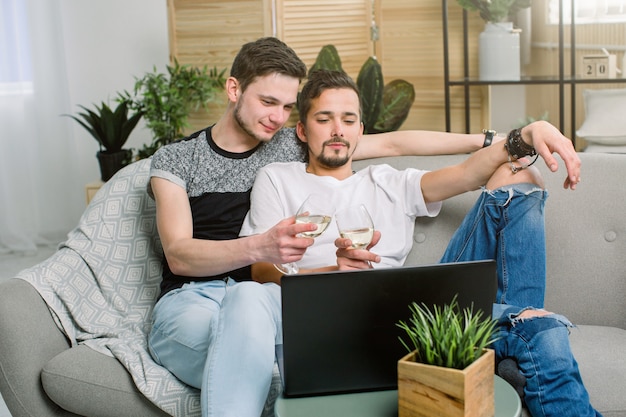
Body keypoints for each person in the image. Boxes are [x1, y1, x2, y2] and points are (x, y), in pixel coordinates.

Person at [146, 36, 583, 417]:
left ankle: (512, 334)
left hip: (369, 305)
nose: (276, 117)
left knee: (521, 174)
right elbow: (186, 255)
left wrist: (515, 136)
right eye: (269, 103)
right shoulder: (237, 165)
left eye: (284, 106)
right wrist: (275, 251)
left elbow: (402, 145)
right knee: (248, 298)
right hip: (220, 296)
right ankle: (505, 342)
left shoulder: (342, 162)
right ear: (234, 89)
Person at [240, 69, 600, 417]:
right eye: (324, 119)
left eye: (348, 120)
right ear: (302, 130)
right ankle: (512, 344)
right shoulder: (278, 179)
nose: (338, 130)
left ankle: (513, 339)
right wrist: (332, 270)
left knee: (520, 171)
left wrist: (527, 133)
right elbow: (260, 270)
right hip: (345, 324)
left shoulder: (388, 181)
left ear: (361, 130)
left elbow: (467, 173)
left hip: (414, 313)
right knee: (542, 330)